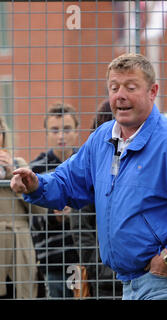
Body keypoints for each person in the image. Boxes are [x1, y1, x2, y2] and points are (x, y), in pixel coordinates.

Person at [11, 53, 167, 300]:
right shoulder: (102, 139)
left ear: (152, 91)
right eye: (114, 88)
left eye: (130, 87)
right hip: (129, 282)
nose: (120, 95)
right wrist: (36, 184)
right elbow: (68, 182)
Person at [69, 99, 123, 299]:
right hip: (107, 280)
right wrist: (102, 269)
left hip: (141, 275)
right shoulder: (91, 165)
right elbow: (81, 228)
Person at [29, 103, 80, 298]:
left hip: (87, 257)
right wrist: (53, 216)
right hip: (53, 259)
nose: (61, 136)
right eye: (55, 130)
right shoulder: (36, 169)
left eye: (67, 129)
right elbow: (31, 217)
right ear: (47, 133)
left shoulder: (86, 162)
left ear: (76, 131)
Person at [0, 116, 47, 299]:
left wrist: (13, 173)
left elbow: (40, 210)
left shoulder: (19, 164)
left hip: (20, 242)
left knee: (22, 292)